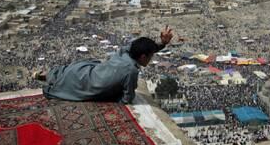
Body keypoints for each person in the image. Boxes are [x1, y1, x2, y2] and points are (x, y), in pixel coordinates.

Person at [37, 26, 173, 104]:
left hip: (82, 71)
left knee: (65, 73)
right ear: (143, 57)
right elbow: (127, 98)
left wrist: (162, 43)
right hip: (87, 85)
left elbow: (141, 46)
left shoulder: (126, 51)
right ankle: (49, 80)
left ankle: (46, 75)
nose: (151, 59)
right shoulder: (131, 71)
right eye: (150, 56)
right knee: (66, 89)